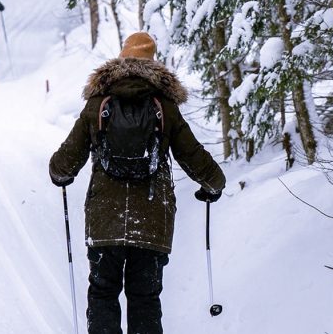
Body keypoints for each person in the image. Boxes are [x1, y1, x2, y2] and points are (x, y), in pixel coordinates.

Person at [49, 32, 226, 334]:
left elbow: (63, 165)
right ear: (154, 62)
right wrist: (213, 184)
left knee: (103, 293)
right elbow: (192, 155)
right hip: (151, 221)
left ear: (122, 57)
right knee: (145, 299)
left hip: (105, 222)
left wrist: (60, 175)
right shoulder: (165, 106)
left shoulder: (97, 103)